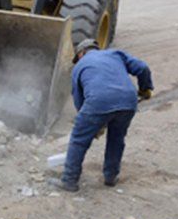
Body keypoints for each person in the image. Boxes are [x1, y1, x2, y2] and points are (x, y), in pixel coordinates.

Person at [52, 39, 154, 192]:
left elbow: (79, 100)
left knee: (79, 140)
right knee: (116, 138)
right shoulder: (116, 53)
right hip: (128, 100)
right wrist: (145, 89)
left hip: (99, 101)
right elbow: (143, 68)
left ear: (81, 54)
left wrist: (92, 124)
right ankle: (110, 177)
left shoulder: (79, 66)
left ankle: (69, 180)